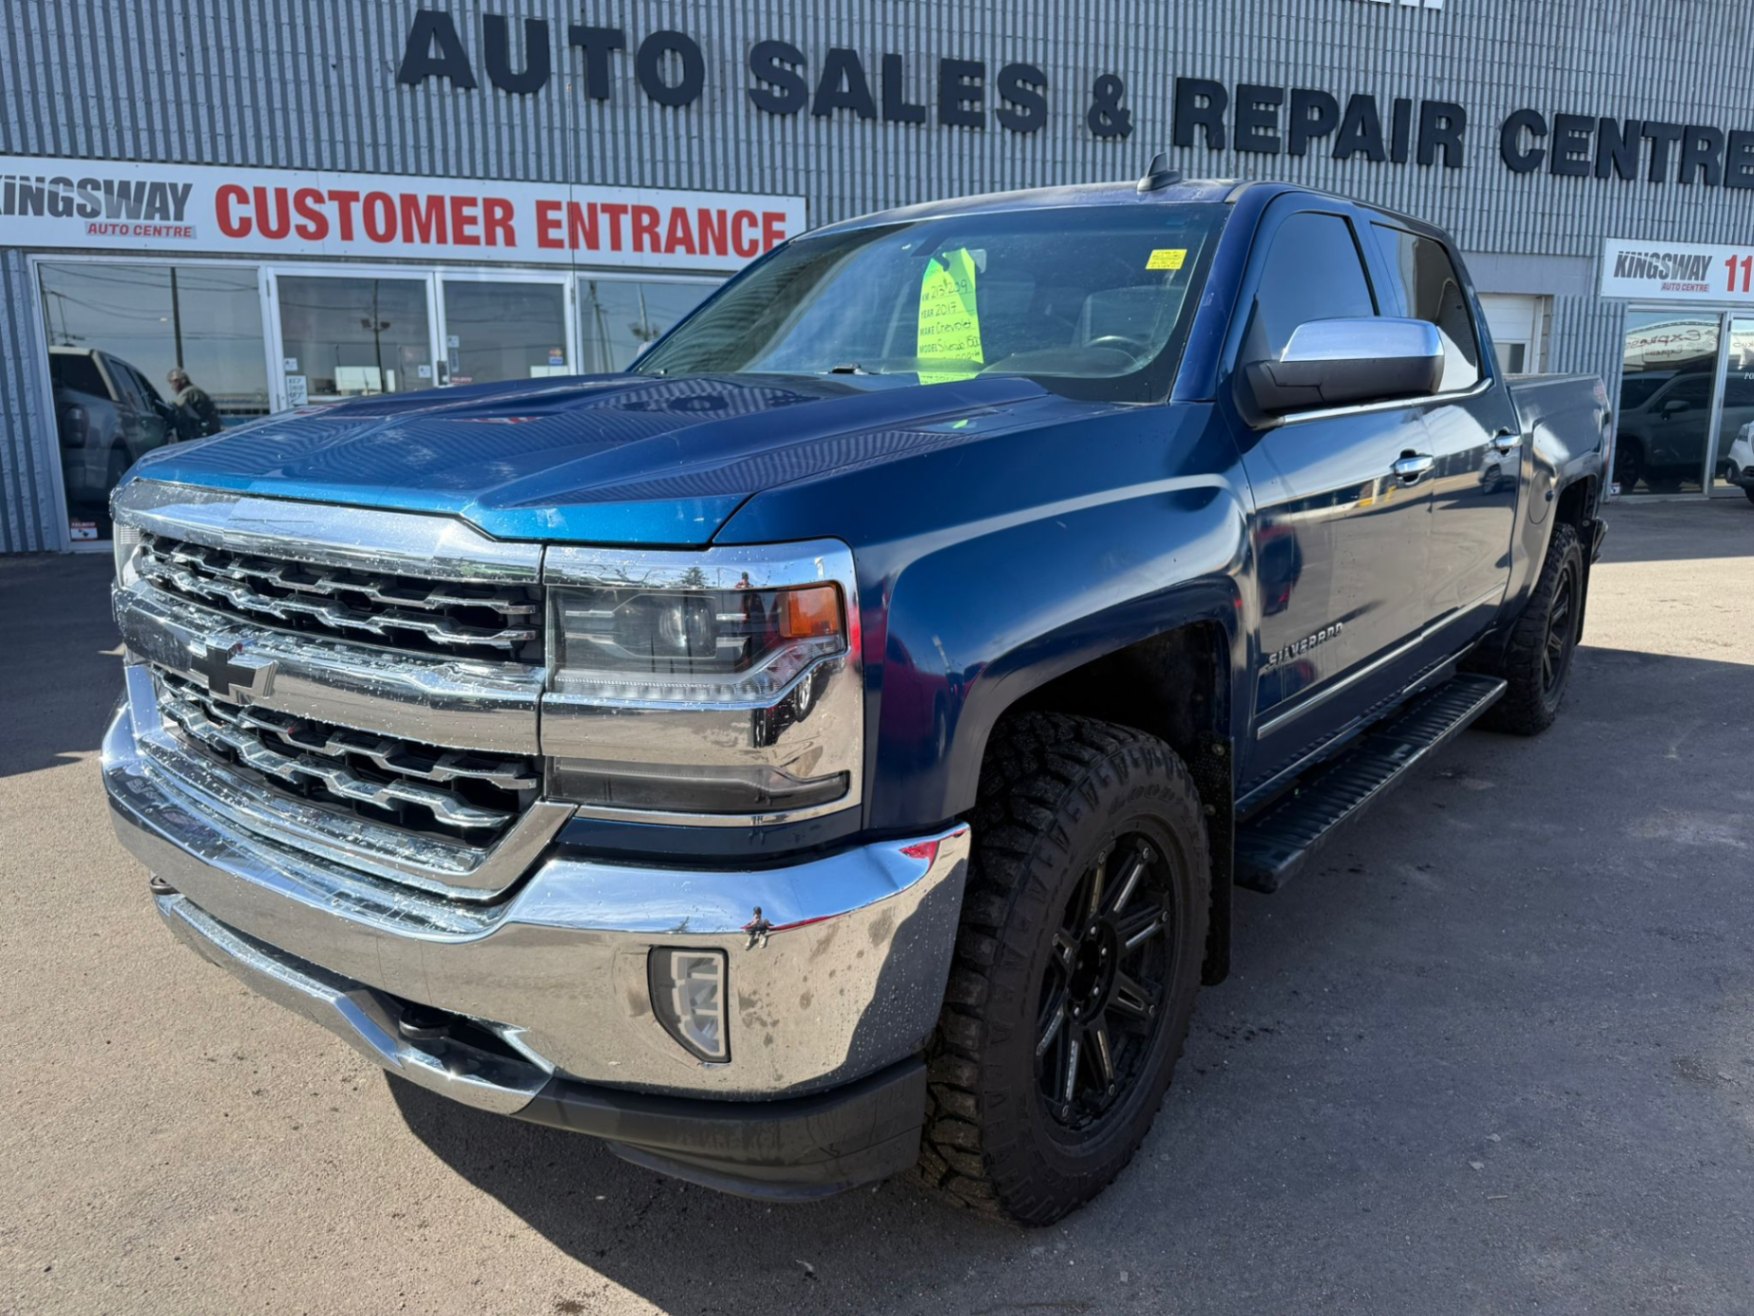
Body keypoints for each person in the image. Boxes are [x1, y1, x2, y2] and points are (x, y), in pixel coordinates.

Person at [165, 367, 224, 439]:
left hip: (201, 435)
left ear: (181, 381)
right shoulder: (194, 391)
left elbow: (179, 410)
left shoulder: (188, 393)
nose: (172, 387)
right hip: (208, 433)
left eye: (173, 382)